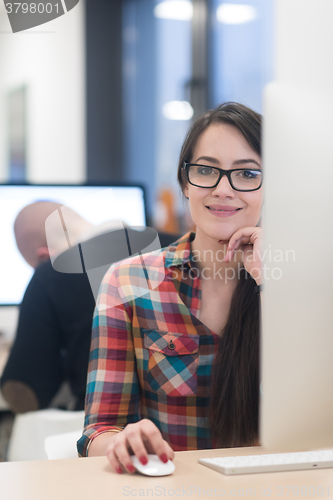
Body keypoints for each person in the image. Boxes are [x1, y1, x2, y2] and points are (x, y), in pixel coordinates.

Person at [77, 102, 263, 474]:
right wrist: (122, 442)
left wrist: (274, 285)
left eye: (246, 173)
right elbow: (98, 431)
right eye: (207, 170)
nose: (223, 189)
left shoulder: (305, 283)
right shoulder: (129, 282)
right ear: (184, 183)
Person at [1, 201, 179, 413]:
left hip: (108, 430)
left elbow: (26, 392)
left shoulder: (49, 276)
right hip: (195, 423)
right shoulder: (181, 247)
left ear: (44, 256)